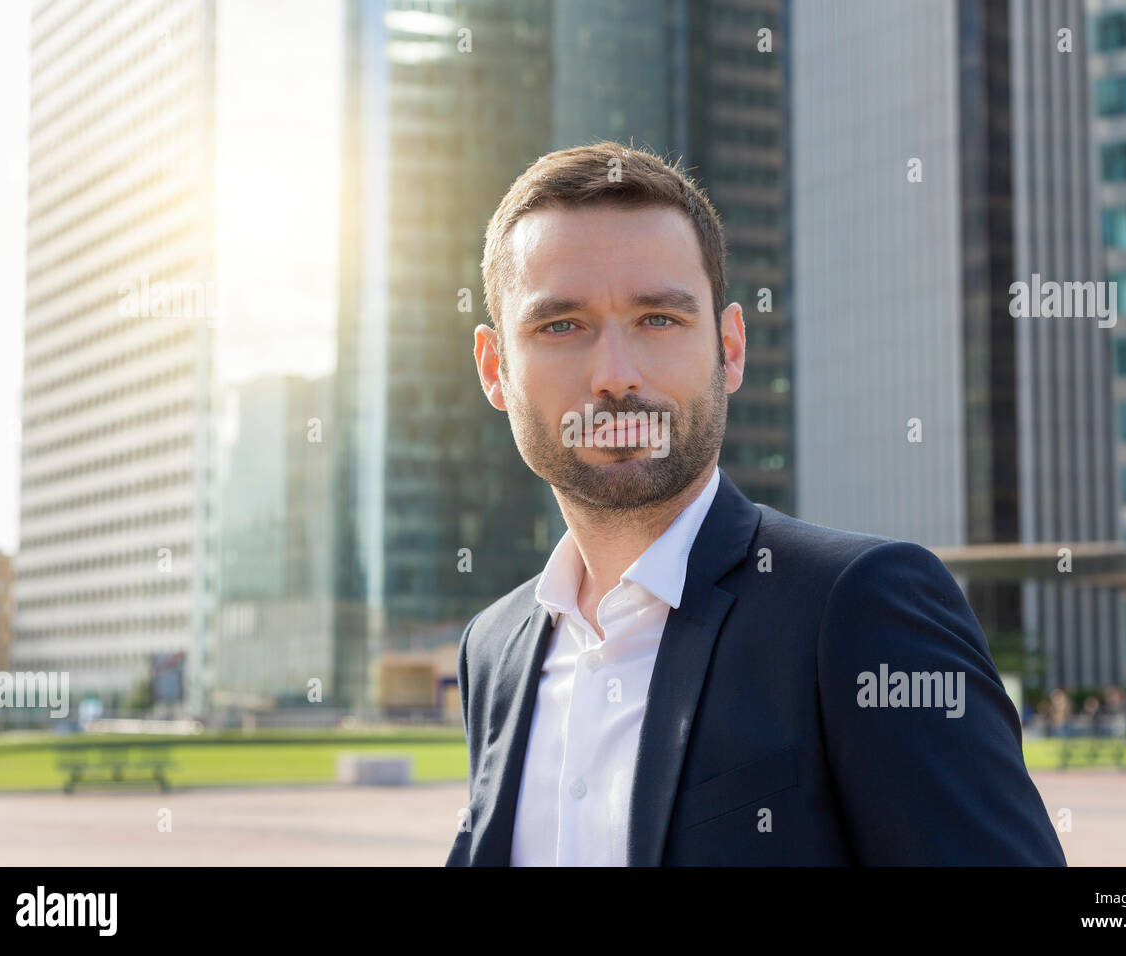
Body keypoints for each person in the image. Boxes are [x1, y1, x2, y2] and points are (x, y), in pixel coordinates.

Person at [446, 142, 1066, 867]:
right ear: (495, 369)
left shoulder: (862, 607)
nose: (614, 376)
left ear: (730, 348)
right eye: (560, 326)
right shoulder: (493, 648)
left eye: (658, 319)